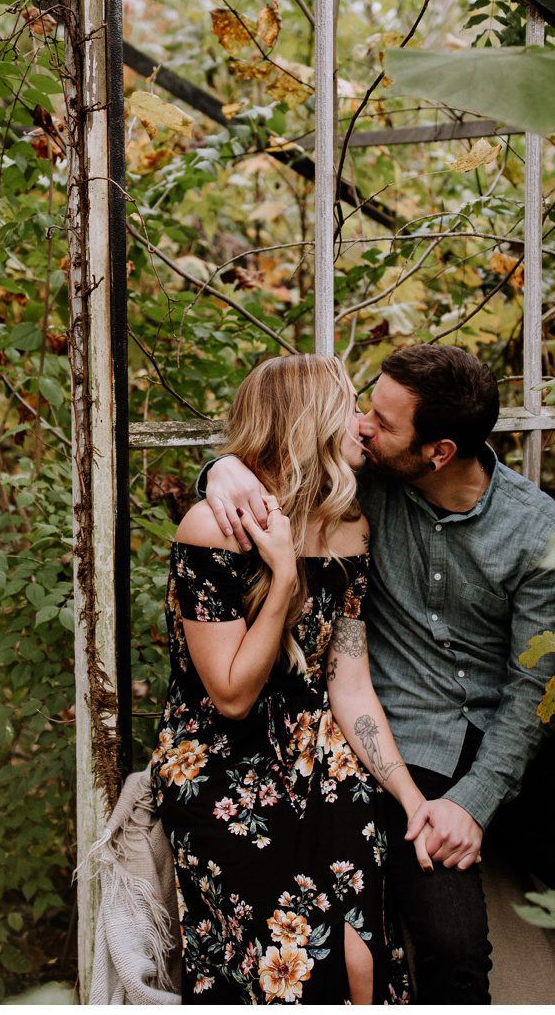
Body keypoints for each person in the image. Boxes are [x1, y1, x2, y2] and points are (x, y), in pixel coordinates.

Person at [201, 344, 555, 1004]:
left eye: (383, 421)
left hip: (510, 753)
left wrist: (474, 803)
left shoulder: (532, 529)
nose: (363, 427)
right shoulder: (362, 480)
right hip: (410, 749)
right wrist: (220, 469)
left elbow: (530, 691)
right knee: (454, 953)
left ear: (440, 451)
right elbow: (278, 459)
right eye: (366, 408)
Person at [149, 354, 427, 1004]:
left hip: (318, 750)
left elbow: (349, 683)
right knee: (289, 969)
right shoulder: (212, 528)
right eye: (349, 409)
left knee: (364, 961)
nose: (362, 425)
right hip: (220, 762)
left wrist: (412, 800)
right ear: (309, 425)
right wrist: (282, 577)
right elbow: (232, 694)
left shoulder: (349, 528)